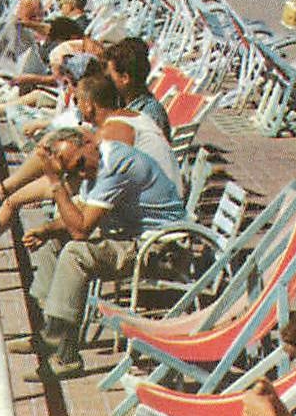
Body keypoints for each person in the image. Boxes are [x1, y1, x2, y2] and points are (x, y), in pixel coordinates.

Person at [22, 130, 186, 379]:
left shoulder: (114, 164)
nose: (80, 174)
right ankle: (49, 331)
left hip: (160, 248)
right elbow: (79, 211)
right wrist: (46, 230)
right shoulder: (96, 161)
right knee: (53, 240)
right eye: (72, 172)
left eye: (79, 164)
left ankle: (65, 355)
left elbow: (80, 230)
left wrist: (56, 183)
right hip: (134, 238)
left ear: (89, 142)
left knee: (76, 253)